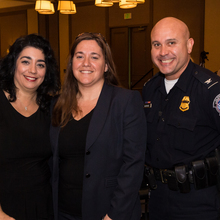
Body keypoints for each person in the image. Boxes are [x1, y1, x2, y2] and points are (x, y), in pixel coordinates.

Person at [50, 32, 146, 220]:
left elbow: (133, 164)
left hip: (108, 211)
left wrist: (114, 215)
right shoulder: (57, 105)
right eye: (79, 56)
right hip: (62, 212)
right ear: (71, 65)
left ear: (106, 66)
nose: (86, 63)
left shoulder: (125, 102)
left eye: (94, 57)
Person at [142, 17, 220, 219]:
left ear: (189, 45)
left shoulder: (210, 90)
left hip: (199, 203)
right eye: (156, 44)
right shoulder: (150, 90)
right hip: (158, 200)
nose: (163, 52)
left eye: (171, 43)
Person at [0, 34, 60, 220]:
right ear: (13, 64)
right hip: (4, 207)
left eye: (40, 64)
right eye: (26, 61)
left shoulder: (52, 107)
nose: (33, 70)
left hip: (43, 206)